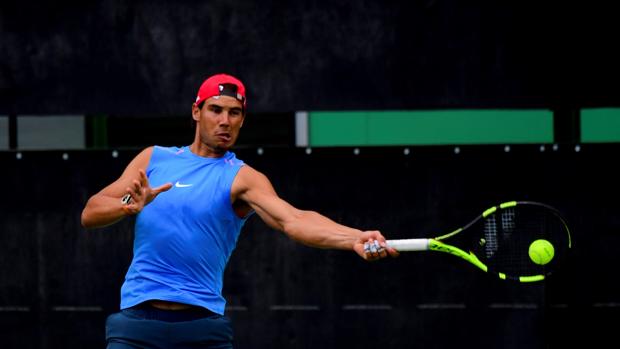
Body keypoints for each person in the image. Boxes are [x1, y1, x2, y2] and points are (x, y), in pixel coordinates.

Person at [81, 73, 399, 348]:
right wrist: (127, 206)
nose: (225, 121)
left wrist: (354, 237)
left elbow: (293, 219)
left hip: (202, 326)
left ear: (242, 120)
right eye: (216, 110)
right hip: (137, 324)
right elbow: (91, 212)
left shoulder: (242, 178)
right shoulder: (154, 159)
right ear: (196, 111)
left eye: (234, 113)